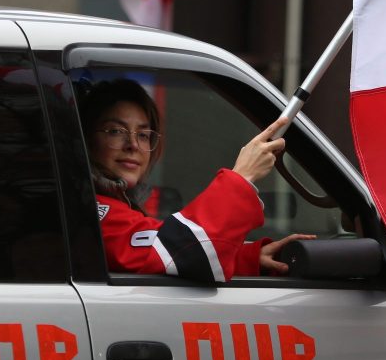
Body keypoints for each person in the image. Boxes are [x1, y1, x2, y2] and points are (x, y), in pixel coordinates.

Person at [79, 78, 312, 281]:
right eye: (115, 131)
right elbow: (181, 252)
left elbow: (166, 248)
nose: (133, 145)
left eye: (143, 135)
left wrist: (249, 258)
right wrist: (242, 176)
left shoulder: (110, 209)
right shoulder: (92, 212)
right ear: (85, 139)